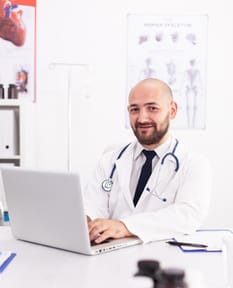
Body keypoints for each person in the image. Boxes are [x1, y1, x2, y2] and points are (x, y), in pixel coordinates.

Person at [84, 78, 212, 244]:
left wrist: (125, 226)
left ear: (172, 110)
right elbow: (93, 204)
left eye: (152, 108)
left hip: (162, 261)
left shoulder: (193, 164)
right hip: (110, 259)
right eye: (134, 109)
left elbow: (188, 215)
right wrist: (86, 220)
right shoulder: (110, 161)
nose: (142, 118)